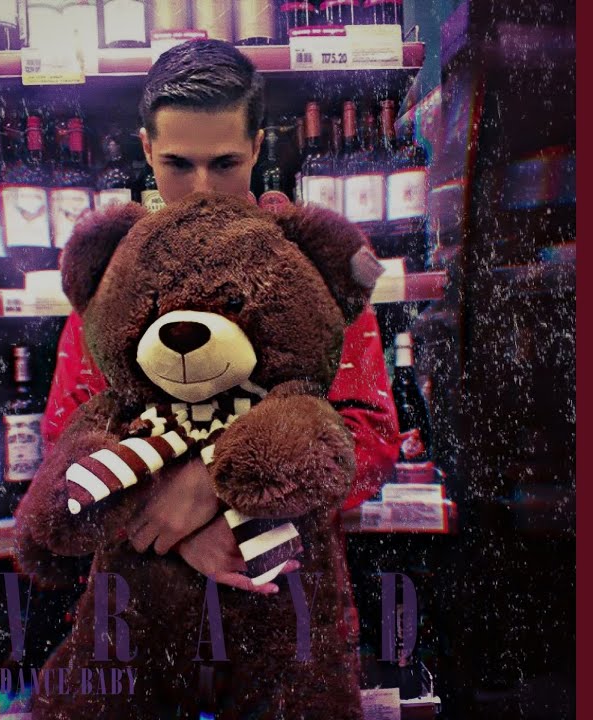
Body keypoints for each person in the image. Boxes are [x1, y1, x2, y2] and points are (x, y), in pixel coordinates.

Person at [41, 39, 399, 594]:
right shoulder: (118, 272)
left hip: (291, 589)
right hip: (143, 593)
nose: (202, 190)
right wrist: (170, 519)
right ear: (147, 149)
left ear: (256, 147)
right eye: (178, 165)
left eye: (225, 163)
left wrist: (212, 486)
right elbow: (65, 436)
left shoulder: (308, 266)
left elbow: (371, 438)